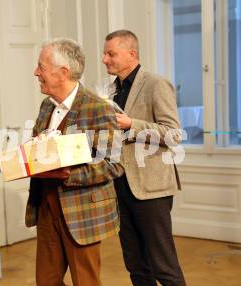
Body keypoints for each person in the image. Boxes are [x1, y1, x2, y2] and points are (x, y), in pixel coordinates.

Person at [25, 38, 123, 286]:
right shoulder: (46, 107)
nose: (36, 72)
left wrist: (69, 174)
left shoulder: (98, 108)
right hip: (46, 209)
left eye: (41, 67)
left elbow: (113, 163)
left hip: (81, 214)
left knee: (85, 282)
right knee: (46, 281)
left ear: (63, 72)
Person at [102, 29, 186, 286]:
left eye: (111, 53)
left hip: (151, 190)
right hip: (120, 186)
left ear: (132, 54)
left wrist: (131, 124)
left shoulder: (156, 83)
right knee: (136, 265)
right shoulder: (109, 90)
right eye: (104, 54)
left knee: (164, 266)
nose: (105, 59)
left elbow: (174, 134)